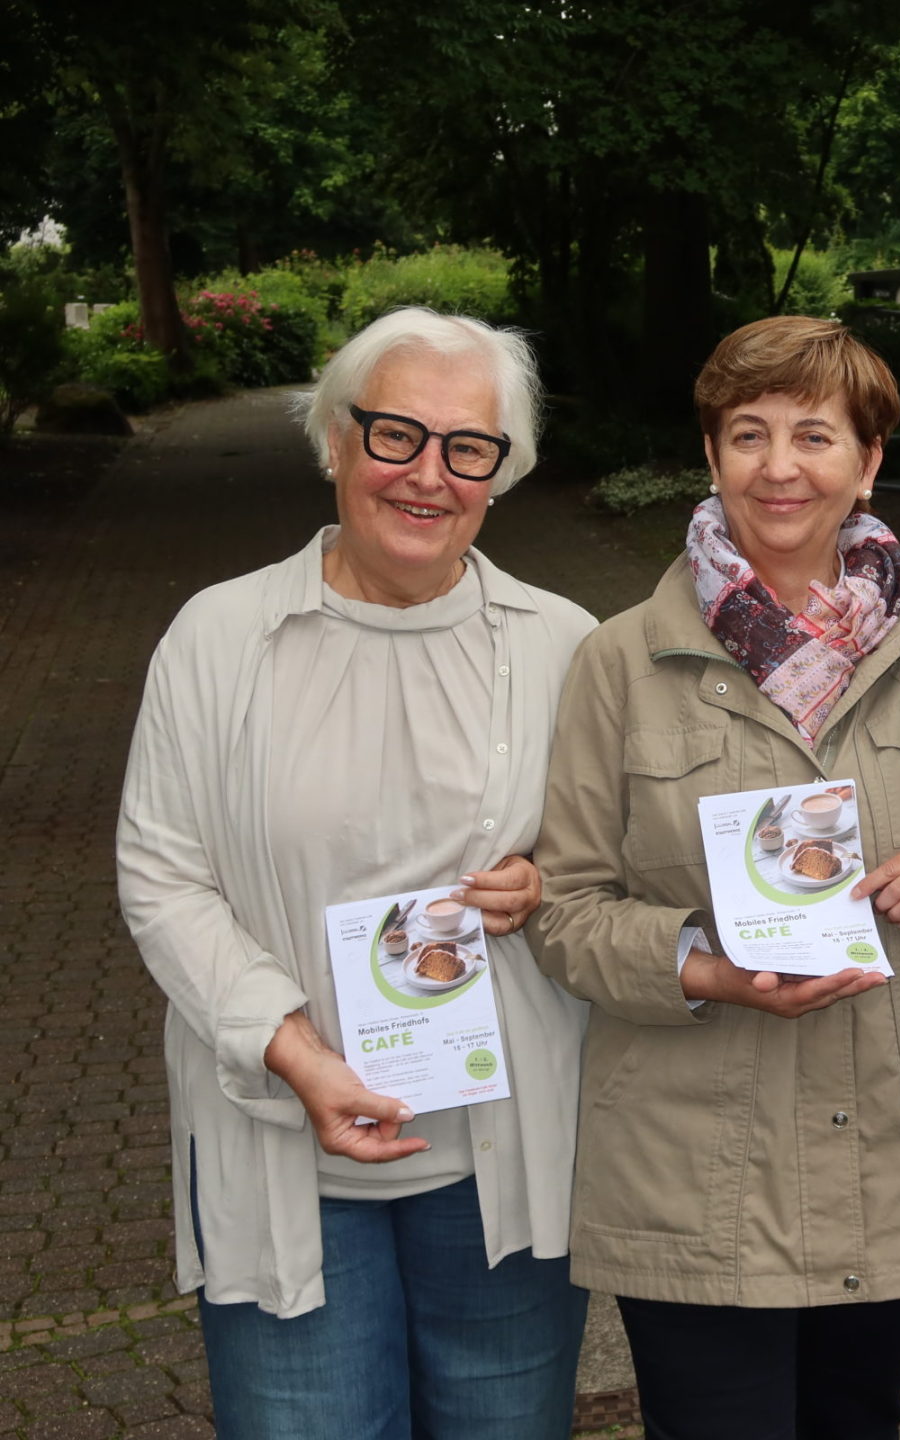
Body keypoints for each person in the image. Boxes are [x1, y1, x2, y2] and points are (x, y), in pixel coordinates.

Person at [117, 308, 596, 1440]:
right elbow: (161, 874)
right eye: (394, 435)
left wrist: (547, 889)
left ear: (501, 472)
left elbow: (608, 863)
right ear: (335, 440)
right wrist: (293, 1050)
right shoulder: (219, 638)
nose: (428, 475)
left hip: (502, 1158)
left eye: (467, 447)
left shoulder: (565, 644)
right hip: (287, 1143)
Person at [529, 315, 900, 1440]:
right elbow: (564, 907)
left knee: (858, 1423)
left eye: (815, 435)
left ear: (868, 461)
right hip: (695, 1174)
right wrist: (704, 964)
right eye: (748, 434)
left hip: (891, 1149)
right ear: (710, 455)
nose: (780, 467)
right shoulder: (621, 659)